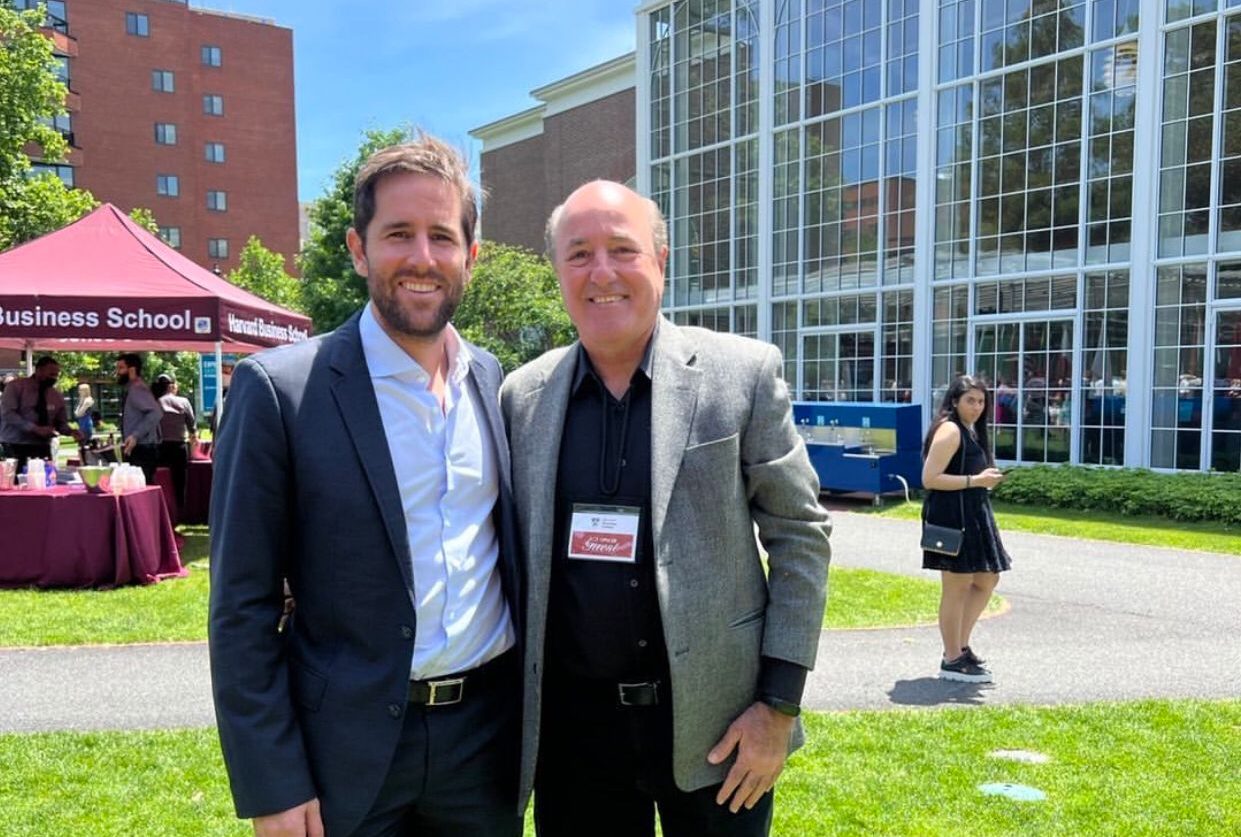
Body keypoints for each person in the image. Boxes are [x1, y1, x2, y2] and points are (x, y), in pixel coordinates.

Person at [208, 134, 522, 837]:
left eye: (442, 236)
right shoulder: (279, 391)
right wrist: (272, 781)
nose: (421, 257)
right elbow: (240, 607)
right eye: (398, 234)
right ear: (358, 249)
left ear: (470, 256)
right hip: (342, 752)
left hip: (484, 746)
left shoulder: (495, 384)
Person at [500, 180, 831, 837]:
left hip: (720, 734)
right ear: (557, 271)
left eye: (621, 249)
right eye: (578, 253)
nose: (601, 273)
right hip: (573, 746)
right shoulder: (521, 397)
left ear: (661, 260)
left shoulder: (742, 375)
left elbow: (801, 536)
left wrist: (777, 707)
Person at [920, 374, 1011, 684]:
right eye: (970, 400)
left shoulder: (969, 432)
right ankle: (952, 658)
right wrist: (976, 481)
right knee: (956, 587)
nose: (977, 407)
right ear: (955, 401)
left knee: (987, 578)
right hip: (952, 517)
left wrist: (984, 480)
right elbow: (929, 478)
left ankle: (960, 646)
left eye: (982, 401)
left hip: (972, 513)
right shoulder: (949, 431)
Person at [0, 356, 82, 474]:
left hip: (42, 446)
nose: (53, 378)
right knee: (19, 481)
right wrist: (34, 428)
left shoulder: (56, 395)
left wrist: (71, 432)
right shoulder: (16, 387)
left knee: (43, 479)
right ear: (38, 370)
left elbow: (61, 423)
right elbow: (8, 414)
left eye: (56, 375)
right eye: (50, 374)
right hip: (15, 444)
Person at [152, 373, 196, 514]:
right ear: (172, 386)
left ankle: (163, 509)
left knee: (161, 479)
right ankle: (179, 509)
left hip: (160, 446)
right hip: (179, 447)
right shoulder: (183, 402)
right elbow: (192, 425)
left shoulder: (155, 403)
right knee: (180, 480)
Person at [115, 353, 162, 484]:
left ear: (132, 370)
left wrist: (136, 435)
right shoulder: (132, 389)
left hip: (142, 449)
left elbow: (155, 413)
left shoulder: (137, 388)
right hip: (139, 448)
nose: (117, 372)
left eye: (120, 368)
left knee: (140, 489)